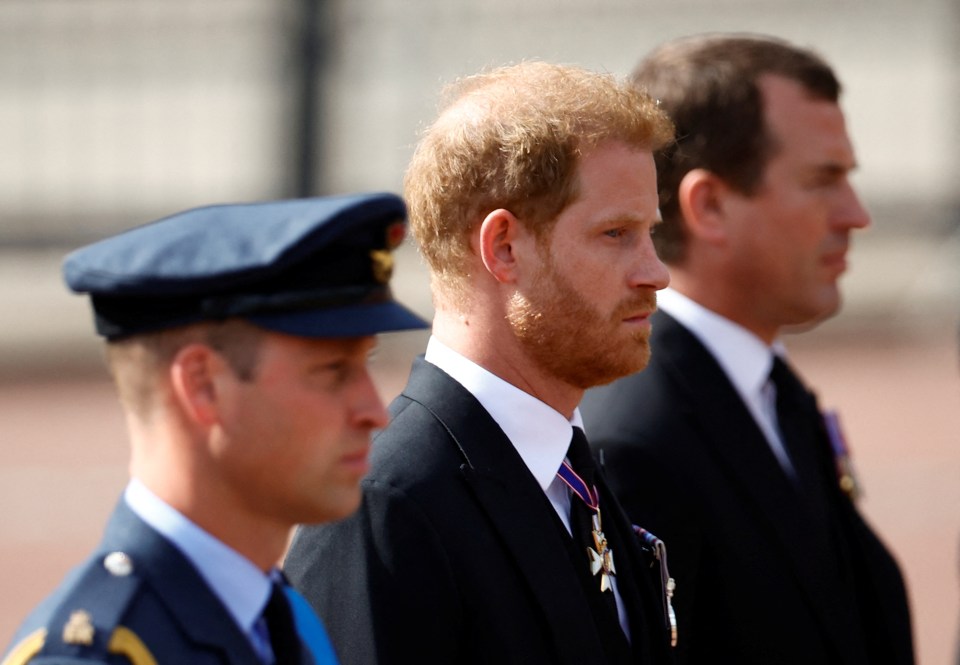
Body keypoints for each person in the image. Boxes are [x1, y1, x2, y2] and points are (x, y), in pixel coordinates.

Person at [284, 62, 678, 664]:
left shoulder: (569, 475)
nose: (656, 273)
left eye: (649, 233)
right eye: (616, 234)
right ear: (503, 247)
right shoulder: (385, 507)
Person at [580, 34, 915, 664]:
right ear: (709, 206)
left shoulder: (766, 392)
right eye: (824, 180)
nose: (856, 214)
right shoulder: (636, 438)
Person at [1, 193, 428, 665]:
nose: (374, 411)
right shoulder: (100, 655)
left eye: (364, 364)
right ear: (204, 386)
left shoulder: (282, 618)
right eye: (333, 372)